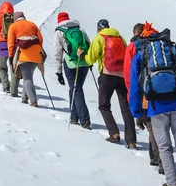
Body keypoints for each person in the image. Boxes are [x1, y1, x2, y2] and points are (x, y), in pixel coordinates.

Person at [128, 23, 176, 186]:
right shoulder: (172, 49)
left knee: (164, 147)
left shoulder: (141, 54)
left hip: (157, 107)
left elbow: (134, 86)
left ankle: (172, 183)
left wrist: (138, 113)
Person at [79, 19, 137, 148]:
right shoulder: (120, 37)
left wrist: (83, 56)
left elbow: (91, 58)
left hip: (107, 75)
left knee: (104, 106)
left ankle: (114, 133)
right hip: (122, 76)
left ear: (98, 28)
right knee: (126, 107)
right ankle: (131, 141)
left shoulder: (99, 38)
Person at [124, 23, 162, 172]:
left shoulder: (133, 47)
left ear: (134, 32)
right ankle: (154, 156)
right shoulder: (157, 44)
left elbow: (129, 76)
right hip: (161, 89)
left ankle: (160, 158)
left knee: (152, 124)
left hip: (143, 92)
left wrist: (133, 100)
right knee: (155, 123)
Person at [54, 12, 92, 129]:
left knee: (76, 89)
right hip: (84, 62)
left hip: (71, 63)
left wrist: (58, 71)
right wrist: (89, 61)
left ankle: (85, 119)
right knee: (75, 88)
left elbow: (57, 52)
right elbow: (88, 44)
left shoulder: (59, 31)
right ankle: (74, 117)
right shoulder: (79, 28)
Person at [7, 12, 44, 107]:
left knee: (27, 78)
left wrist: (11, 57)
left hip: (23, 55)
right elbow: (40, 39)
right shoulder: (32, 24)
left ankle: (33, 101)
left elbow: (10, 43)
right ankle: (24, 97)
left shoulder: (13, 26)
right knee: (29, 76)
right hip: (36, 55)